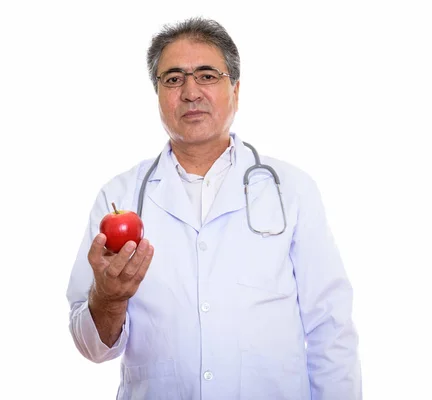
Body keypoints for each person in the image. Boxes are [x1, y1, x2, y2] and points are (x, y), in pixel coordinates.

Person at [66, 16, 361, 400]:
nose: (190, 92)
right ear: (157, 94)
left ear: (235, 90)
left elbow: (331, 329)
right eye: (173, 79)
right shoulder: (118, 198)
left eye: (207, 76)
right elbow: (91, 347)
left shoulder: (292, 190)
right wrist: (108, 298)